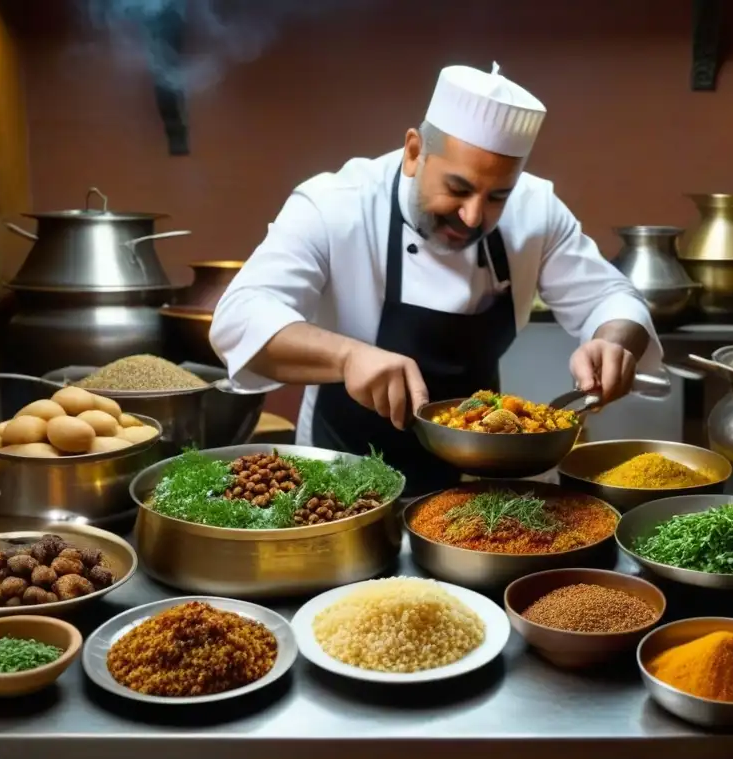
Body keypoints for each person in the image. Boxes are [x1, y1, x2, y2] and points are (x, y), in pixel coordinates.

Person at [210, 62, 662, 494]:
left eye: (497, 197)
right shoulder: (334, 204)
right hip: (343, 471)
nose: (473, 215)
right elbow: (239, 318)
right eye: (458, 189)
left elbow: (612, 296)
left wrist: (615, 342)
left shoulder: (536, 210)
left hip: (481, 476)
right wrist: (348, 357)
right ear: (414, 153)